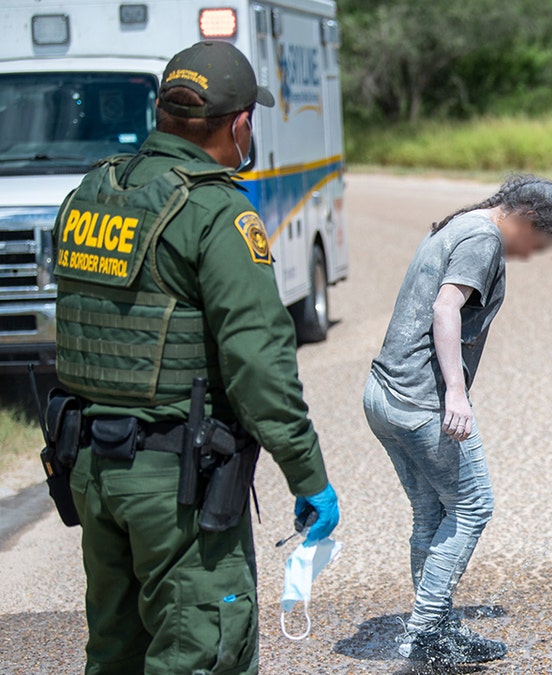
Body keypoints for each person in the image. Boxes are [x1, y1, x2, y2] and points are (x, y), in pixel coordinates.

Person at [52, 41, 339, 673]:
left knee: (115, 652)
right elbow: (259, 365)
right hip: (176, 484)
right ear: (240, 124)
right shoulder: (216, 212)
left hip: (92, 470)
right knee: (203, 650)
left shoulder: (90, 195)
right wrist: (308, 476)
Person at [362, 175, 552, 666]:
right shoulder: (483, 238)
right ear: (526, 220)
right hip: (420, 402)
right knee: (473, 506)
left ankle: (439, 630)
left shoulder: (461, 224)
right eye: (536, 245)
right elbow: (446, 306)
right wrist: (455, 393)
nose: (529, 255)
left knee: (432, 513)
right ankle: (425, 637)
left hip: (383, 394)